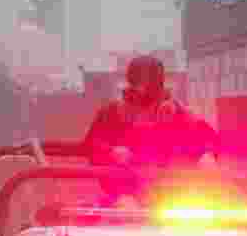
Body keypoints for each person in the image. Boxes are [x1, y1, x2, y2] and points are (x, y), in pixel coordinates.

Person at [85, 54, 219, 169]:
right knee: (125, 201)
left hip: (167, 190)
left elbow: (208, 137)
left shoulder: (174, 112)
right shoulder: (112, 112)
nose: (143, 92)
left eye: (150, 88)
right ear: (131, 85)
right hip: (123, 189)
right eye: (139, 87)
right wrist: (111, 152)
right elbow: (91, 145)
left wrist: (207, 155)